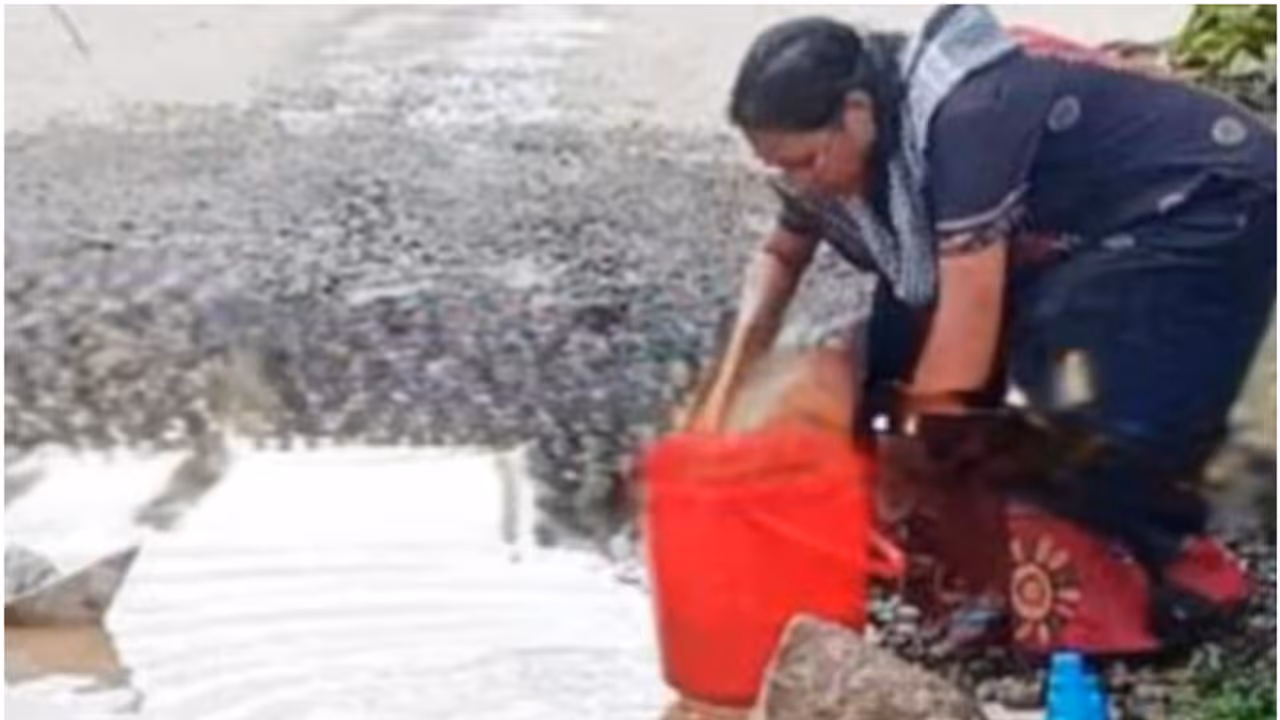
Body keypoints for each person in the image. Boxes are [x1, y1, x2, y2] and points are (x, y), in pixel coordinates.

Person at [708, 5, 1275, 628]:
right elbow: (780, 256)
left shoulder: (966, 116)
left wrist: (909, 447)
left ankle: (1174, 573)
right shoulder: (854, 157)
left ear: (856, 112)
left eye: (807, 161)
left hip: (1212, 206)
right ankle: (965, 575)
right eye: (781, 168)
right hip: (1090, 233)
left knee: (1053, 379)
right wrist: (721, 411)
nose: (800, 184)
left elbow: (966, 327)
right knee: (876, 364)